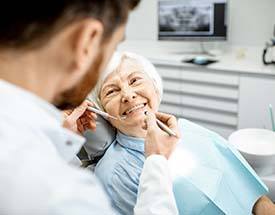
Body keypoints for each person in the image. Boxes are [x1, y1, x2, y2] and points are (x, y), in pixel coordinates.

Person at [0, 1, 180, 214]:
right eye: (113, 48)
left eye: (135, 80)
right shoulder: (65, 196)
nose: (128, 95)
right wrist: (157, 163)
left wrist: (58, 144)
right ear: (87, 41)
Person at [90, 51, 275, 215]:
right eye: (112, 91)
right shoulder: (114, 175)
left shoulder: (191, 131)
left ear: (155, 87)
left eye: (135, 80)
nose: (128, 95)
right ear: (103, 112)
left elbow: (255, 198)